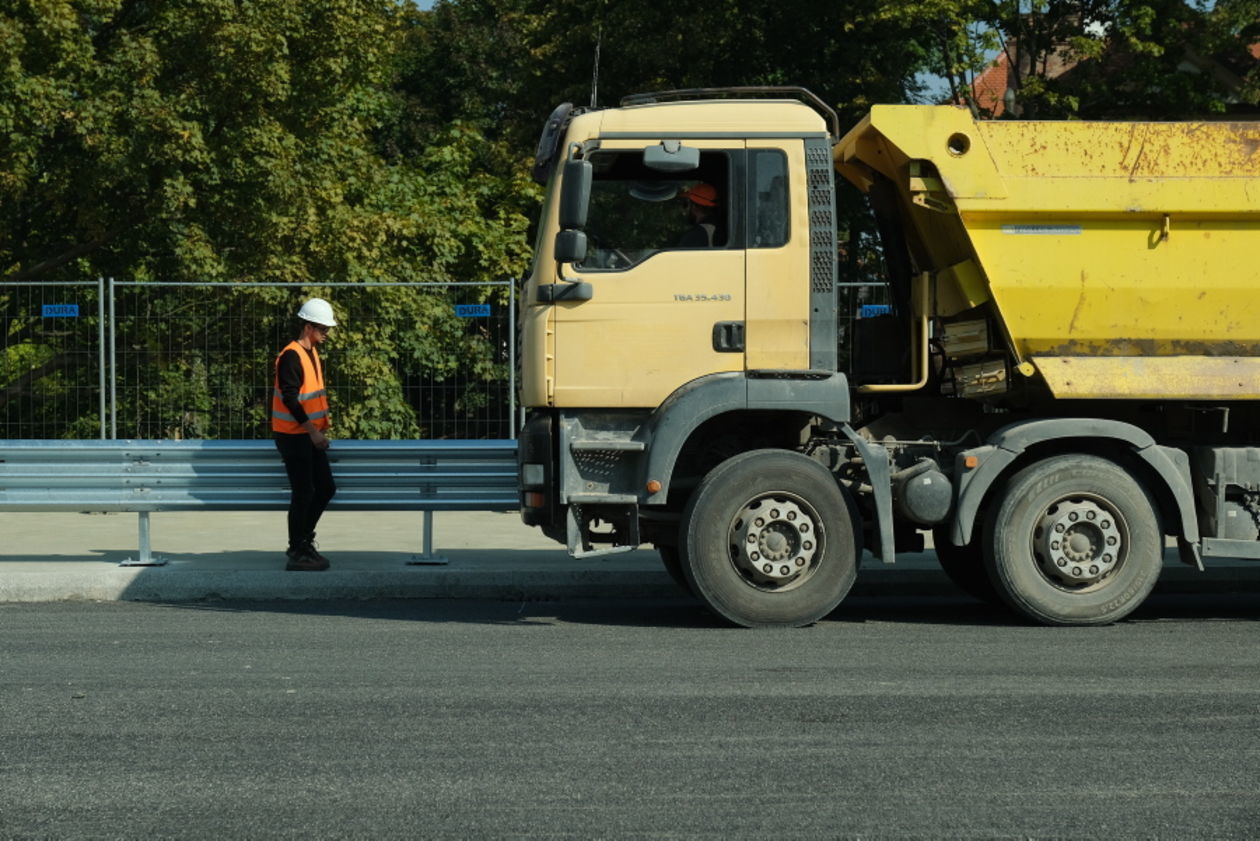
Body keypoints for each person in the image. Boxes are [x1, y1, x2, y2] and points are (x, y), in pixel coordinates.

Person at [271, 298, 338, 571]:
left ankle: (302, 541)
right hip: (293, 434)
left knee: (325, 488)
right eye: (323, 329)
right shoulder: (291, 355)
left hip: (308, 434)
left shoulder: (311, 353)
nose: (326, 333)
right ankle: (297, 549)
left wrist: (318, 427)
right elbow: (290, 399)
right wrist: (312, 432)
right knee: (303, 492)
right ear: (308, 327)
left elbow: (310, 396)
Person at [677, 182, 725, 248]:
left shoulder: (695, 236)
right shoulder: (720, 228)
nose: (685, 210)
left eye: (685, 204)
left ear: (694, 207)